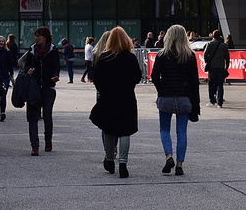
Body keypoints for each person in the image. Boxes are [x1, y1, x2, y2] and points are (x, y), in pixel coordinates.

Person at [89, 27, 142, 178]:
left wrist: (103, 89)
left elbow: (96, 79)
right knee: (125, 131)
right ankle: (123, 163)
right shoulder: (130, 58)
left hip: (108, 98)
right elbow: (137, 77)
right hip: (126, 98)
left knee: (108, 129)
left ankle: (110, 159)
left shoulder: (104, 57)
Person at [150, 24, 200, 176]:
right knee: (181, 132)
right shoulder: (190, 55)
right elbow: (194, 81)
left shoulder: (161, 54)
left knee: (164, 129)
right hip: (184, 97)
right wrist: (195, 102)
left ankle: (169, 156)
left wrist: (161, 89)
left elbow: (154, 76)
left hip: (166, 97)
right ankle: (179, 165)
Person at [19, 26, 61, 156]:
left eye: (39, 36)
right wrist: (28, 70)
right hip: (34, 87)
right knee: (33, 116)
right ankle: (35, 145)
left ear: (45, 37)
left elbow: (56, 66)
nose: (36, 38)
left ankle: (48, 140)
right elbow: (26, 65)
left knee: (47, 115)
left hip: (48, 87)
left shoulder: (53, 50)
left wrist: (54, 76)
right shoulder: (32, 50)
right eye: (36, 36)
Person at [203, 29, 230, 107]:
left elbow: (205, 54)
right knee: (220, 85)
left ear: (212, 36)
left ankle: (212, 101)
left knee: (211, 84)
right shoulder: (224, 46)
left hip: (212, 67)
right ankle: (220, 103)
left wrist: (207, 61)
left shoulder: (209, 44)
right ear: (220, 36)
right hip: (220, 67)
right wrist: (226, 67)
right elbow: (227, 57)